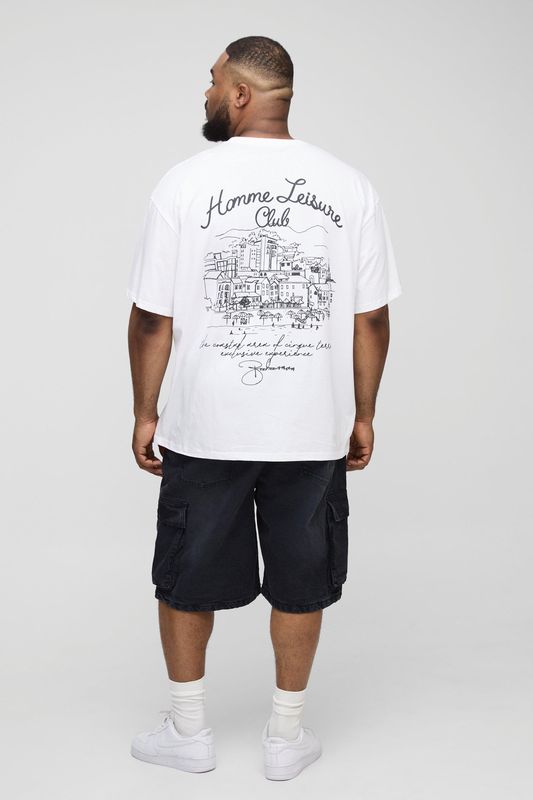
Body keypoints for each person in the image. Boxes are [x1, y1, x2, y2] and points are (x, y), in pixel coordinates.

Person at [126, 35, 402, 781]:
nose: (206, 92)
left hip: (206, 424)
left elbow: (151, 318)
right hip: (311, 425)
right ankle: (286, 737)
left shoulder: (183, 184)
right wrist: (363, 412)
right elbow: (371, 318)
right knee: (302, 574)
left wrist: (145, 412)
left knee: (186, 572)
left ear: (241, 95)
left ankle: (188, 732)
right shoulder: (350, 186)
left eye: (213, 81)